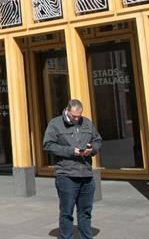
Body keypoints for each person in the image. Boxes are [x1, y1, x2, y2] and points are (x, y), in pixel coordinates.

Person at [43, 99, 102, 239]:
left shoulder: (87, 122)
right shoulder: (55, 124)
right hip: (66, 175)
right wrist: (70, 151)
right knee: (66, 213)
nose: (77, 118)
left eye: (79, 115)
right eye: (74, 116)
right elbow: (48, 145)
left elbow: (98, 140)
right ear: (67, 110)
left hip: (86, 174)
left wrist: (91, 149)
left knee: (85, 212)